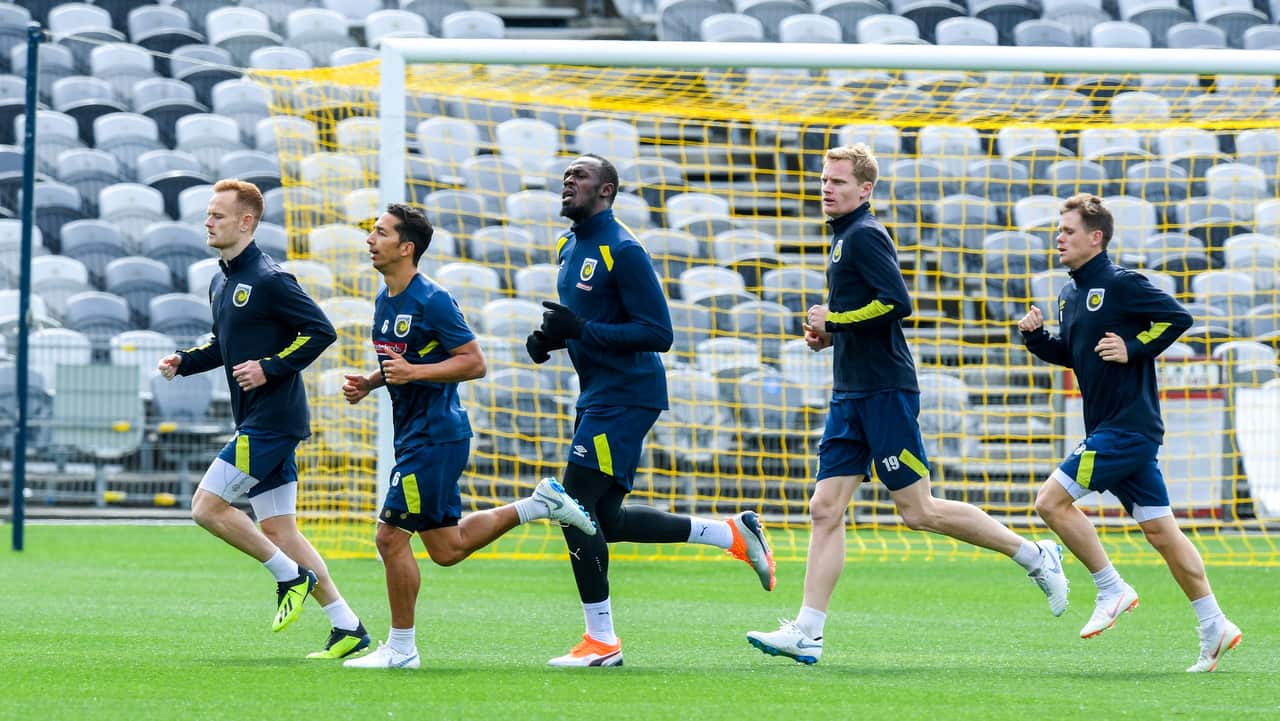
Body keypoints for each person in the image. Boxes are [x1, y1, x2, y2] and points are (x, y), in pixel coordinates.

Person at [746, 144, 1069, 665]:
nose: (827, 188)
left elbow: (898, 302)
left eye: (838, 181)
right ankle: (808, 631)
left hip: (885, 391)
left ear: (865, 189)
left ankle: (1034, 555)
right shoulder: (843, 236)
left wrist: (836, 321)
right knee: (824, 508)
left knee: (918, 511)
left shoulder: (865, 234)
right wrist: (832, 337)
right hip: (850, 391)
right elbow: (863, 314)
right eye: (825, 179)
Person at [526, 153, 776, 668]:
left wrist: (581, 331)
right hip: (598, 393)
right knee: (606, 520)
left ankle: (602, 642)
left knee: (572, 508)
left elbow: (658, 332)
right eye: (566, 174)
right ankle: (730, 533)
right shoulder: (568, 246)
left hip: (626, 394)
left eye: (580, 175)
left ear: (606, 190)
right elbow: (592, 319)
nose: (568, 179)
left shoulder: (624, 249)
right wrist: (553, 339)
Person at [338, 203, 597, 669]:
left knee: (390, 538)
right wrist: (371, 382)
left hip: (434, 437)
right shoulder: (385, 299)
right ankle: (537, 505)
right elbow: (403, 363)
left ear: (406, 247)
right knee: (446, 548)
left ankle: (401, 649)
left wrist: (413, 372)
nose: (370, 240)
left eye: (380, 232)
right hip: (419, 436)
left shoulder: (433, 299)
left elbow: (474, 362)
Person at [1019, 194, 1241, 673]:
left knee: (1050, 503)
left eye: (1068, 231)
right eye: (1059, 231)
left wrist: (1134, 346)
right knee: (1162, 532)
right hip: (1113, 428)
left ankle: (1111, 587)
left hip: (1127, 428)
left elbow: (1179, 317)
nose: (1059, 238)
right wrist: (1037, 339)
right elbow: (1076, 355)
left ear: (1096, 237)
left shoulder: (1121, 283)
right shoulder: (1069, 293)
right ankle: (1215, 625)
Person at [157, 179, 369, 659]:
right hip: (260, 420)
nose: (208, 221)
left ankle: (289, 576)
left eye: (218, 215)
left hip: (272, 421)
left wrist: (270, 367)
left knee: (206, 508)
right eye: (209, 214)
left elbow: (321, 331)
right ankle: (347, 626)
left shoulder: (271, 278)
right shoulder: (221, 280)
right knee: (280, 531)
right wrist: (183, 361)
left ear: (246, 222)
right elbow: (224, 346)